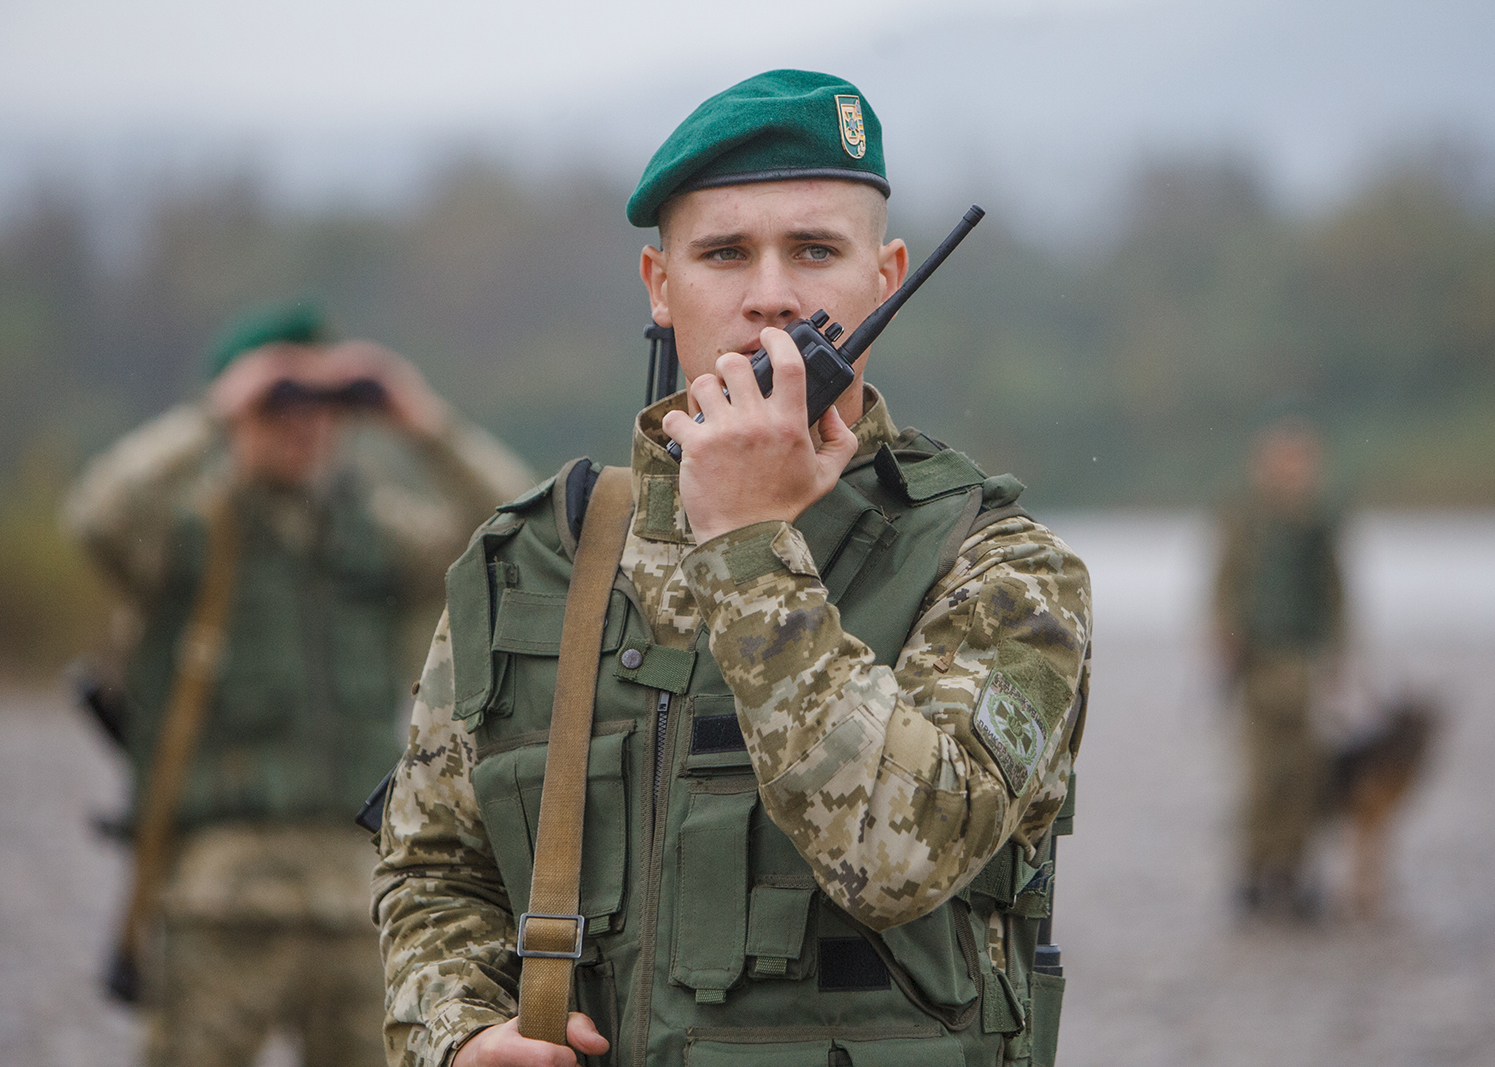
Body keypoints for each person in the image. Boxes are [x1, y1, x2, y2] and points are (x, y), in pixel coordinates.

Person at [374, 70, 1092, 1067]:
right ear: (659, 286)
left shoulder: (999, 568)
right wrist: (457, 1034)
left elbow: (897, 856)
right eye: (722, 252)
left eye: (813, 249)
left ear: (884, 277)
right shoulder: (534, 559)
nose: (770, 294)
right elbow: (434, 869)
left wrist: (749, 541)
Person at [64, 302, 532, 1067]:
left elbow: (516, 535)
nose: (306, 425)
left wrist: (423, 423)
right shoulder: (188, 534)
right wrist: (215, 413)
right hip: (219, 897)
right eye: (281, 405)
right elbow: (98, 514)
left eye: (326, 407)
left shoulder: (367, 535)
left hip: (357, 893)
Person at [1212, 416, 1345, 922]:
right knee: (1261, 774)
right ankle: (1254, 872)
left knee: (1305, 772)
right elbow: (1225, 580)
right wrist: (1221, 638)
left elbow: (1334, 592)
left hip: (1300, 661)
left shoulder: (1317, 520)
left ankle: (1294, 873)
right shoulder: (1245, 515)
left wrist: (1338, 653)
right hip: (1257, 663)